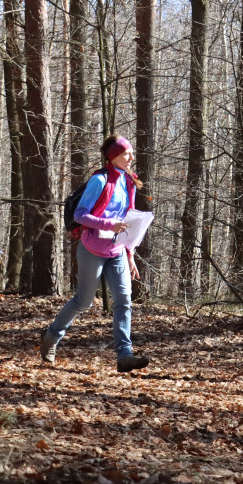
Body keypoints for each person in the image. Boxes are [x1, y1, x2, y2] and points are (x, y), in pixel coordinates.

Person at [40, 135, 150, 373]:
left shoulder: (129, 181)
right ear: (113, 157)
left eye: (131, 153)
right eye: (126, 154)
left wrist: (130, 254)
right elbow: (80, 215)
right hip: (92, 249)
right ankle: (51, 338)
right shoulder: (100, 180)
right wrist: (109, 225)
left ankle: (125, 355)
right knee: (84, 301)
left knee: (124, 301)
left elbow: (129, 220)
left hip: (117, 250)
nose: (131, 157)